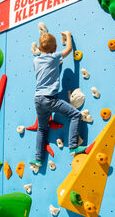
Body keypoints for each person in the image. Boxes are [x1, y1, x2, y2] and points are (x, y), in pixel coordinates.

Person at [30, 31, 85, 167]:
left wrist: (56, 65)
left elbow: (45, 70)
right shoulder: (54, 57)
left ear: (40, 49)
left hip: (37, 99)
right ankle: (72, 146)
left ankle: (38, 158)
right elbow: (69, 50)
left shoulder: (35, 60)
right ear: (55, 48)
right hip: (50, 99)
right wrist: (67, 35)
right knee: (75, 115)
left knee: (42, 128)